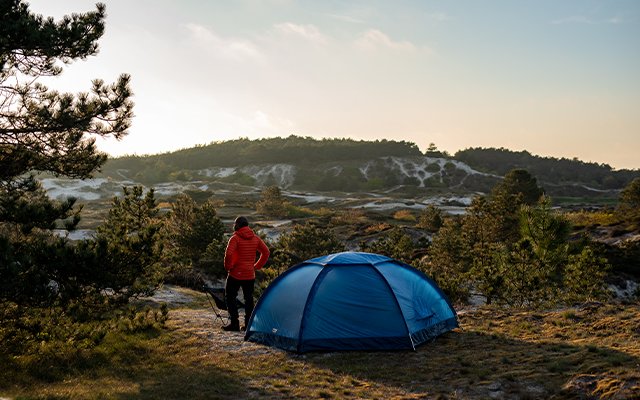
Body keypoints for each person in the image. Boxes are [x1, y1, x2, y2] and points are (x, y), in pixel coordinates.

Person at [222, 216, 270, 331]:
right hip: (249, 274)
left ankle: (234, 323)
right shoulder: (255, 238)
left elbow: (228, 254)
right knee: (249, 299)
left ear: (238, 225)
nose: (234, 225)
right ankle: (248, 324)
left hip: (235, 274)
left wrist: (228, 266)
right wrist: (256, 266)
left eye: (235, 223)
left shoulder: (235, 238)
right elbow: (266, 252)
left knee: (230, 297)